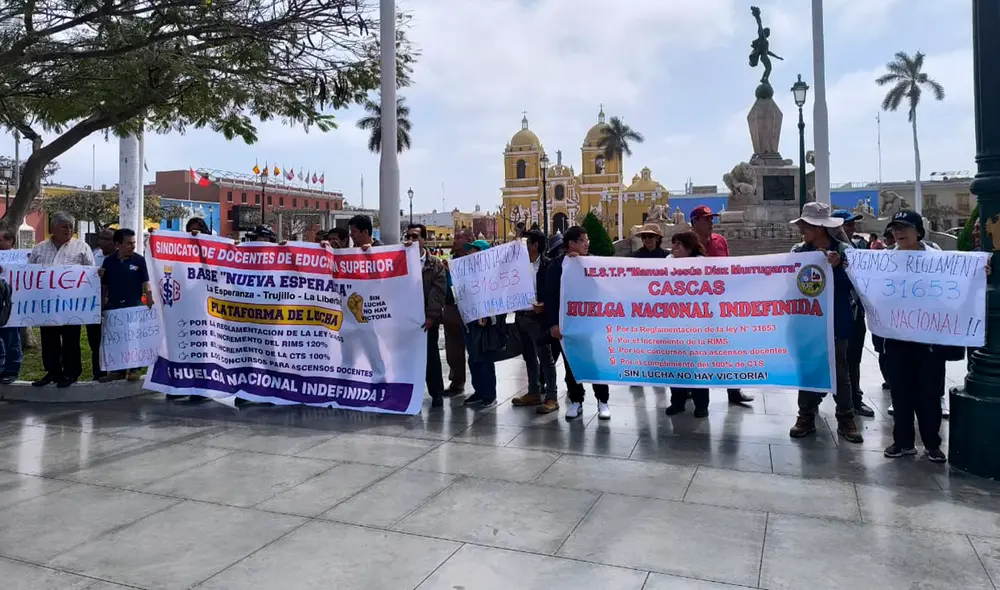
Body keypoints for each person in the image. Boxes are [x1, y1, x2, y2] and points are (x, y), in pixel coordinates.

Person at [882, 210, 965, 463]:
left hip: (929, 338)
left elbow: (961, 280)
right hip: (896, 337)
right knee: (900, 392)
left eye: (904, 227)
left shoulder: (938, 259)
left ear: (919, 231)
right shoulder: (883, 260)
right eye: (895, 228)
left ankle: (932, 444)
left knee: (929, 393)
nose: (899, 232)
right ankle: (903, 442)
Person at [785, 203, 863, 443]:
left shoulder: (844, 252)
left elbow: (855, 285)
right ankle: (805, 415)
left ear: (820, 228)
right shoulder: (798, 252)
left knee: (840, 369)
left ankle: (846, 418)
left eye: (805, 225)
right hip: (807, 321)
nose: (801, 229)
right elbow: (789, 284)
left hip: (835, 320)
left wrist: (838, 268)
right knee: (807, 367)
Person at [544, 226, 611, 421]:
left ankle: (602, 400)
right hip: (568, 325)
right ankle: (576, 400)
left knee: (595, 361)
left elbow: (604, 288)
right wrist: (553, 324)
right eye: (583, 240)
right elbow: (551, 297)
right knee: (571, 364)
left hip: (590, 323)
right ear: (571, 243)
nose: (587, 243)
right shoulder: (557, 266)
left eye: (587, 240)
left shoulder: (592, 262)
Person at [690, 204, 754, 405]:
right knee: (696, 352)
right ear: (695, 222)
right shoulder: (687, 243)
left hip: (720, 306)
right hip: (695, 309)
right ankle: (695, 391)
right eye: (707, 219)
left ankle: (734, 391)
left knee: (727, 350)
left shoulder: (720, 241)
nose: (711, 223)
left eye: (712, 219)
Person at [29, 212, 95, 388]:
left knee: (71, 339)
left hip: (71, 304)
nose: (69, 230)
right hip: (47, 304)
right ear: (53, 228)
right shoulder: (39, 248)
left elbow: (91, 272)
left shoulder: (82, 247)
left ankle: (71, 373)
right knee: (49, 339)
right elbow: (29, 274)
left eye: (71, 226)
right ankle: (52, 372)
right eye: (64, 226)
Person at [832, 210, 875, 418]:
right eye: (846, 225)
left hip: (855, 313)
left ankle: (855, 399)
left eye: (851, 225)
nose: (850, 228)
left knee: (853, 360)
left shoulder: (859, 247)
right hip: (834, 315)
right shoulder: (827, 251)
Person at [510, 230, 559, 414]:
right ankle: (533, 391)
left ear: (534, 245)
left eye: (525, 242)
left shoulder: (548, 266)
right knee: (528, 357)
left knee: (545, 358)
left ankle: (552, 397)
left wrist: (545, 306)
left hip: (538, 318)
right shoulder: (518, 266)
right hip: (521, 316)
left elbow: (554, 292)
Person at [663, 231, 711, 418]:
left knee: (697, 366)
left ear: (689, 248)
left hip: (696, 324)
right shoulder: (667, 262)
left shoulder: (702, 265)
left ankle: (701, 405)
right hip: (673, 324)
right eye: (673, 244)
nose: (674, 248)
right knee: (675, 364)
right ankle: (678, 401)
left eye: (678, 245)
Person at [97, 229, 153, 382]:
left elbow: (146, 282)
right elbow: (104, 285)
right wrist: (102, 304)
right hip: (114, 306)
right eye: (129, 243)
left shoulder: (139, 260)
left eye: (134, 243)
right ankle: (117, 371)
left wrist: (149, 298)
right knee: (116, 339)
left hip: (133, 305)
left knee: (133, 338)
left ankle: (135, 369)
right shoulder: (108, 261)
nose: (132, 246)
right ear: (118, 244)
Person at [405, 224, 448, 407]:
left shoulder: (435, 264)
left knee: (431, 357)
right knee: (405, 358)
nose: (411, 240)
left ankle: (436, 393)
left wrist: (431, 316)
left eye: (415, 237)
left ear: (423, 240)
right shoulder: (399, 260)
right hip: (405, 319)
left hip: (426, 321)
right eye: (408, 236)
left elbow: (438, 293)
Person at [461, 239, 501, 408]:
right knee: (473, 357)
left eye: (474, 250)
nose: (470, 253)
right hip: (469, 319)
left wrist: (488, 315)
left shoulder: (491, 274)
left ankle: (489, 393)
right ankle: (479, 390)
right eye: (469, 250)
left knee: (484, 357)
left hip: (484, 322)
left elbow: (496, 296)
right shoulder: (466, 272)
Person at [442, 229, 473, 394]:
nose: (455, 240)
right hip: (451, 307)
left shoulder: (475, 261)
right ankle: (457, 381)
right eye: (455, 237)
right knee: (453, 349)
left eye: (459, 237)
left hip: (470, 308)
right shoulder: (450, 261)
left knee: (475, 350)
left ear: (469, 240)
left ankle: (482, 387)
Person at [0, 229, 22, 383]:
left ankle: (12, 369)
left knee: (11, 337)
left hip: (12, 306)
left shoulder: (20, 258)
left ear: (10, 241)